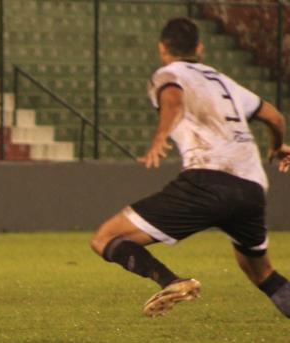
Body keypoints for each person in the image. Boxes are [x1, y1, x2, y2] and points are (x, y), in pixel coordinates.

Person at [90, 18, 290, 317]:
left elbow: (173, 99)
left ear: (162, 48)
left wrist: (159, 136)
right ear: (199, 47)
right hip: (252, 188)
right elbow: (275, 117)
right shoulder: (223, 80)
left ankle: (171, 282)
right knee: (262, 273)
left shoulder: (166, 73)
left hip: (207, 180)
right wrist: (276, 147)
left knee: (104, 237)